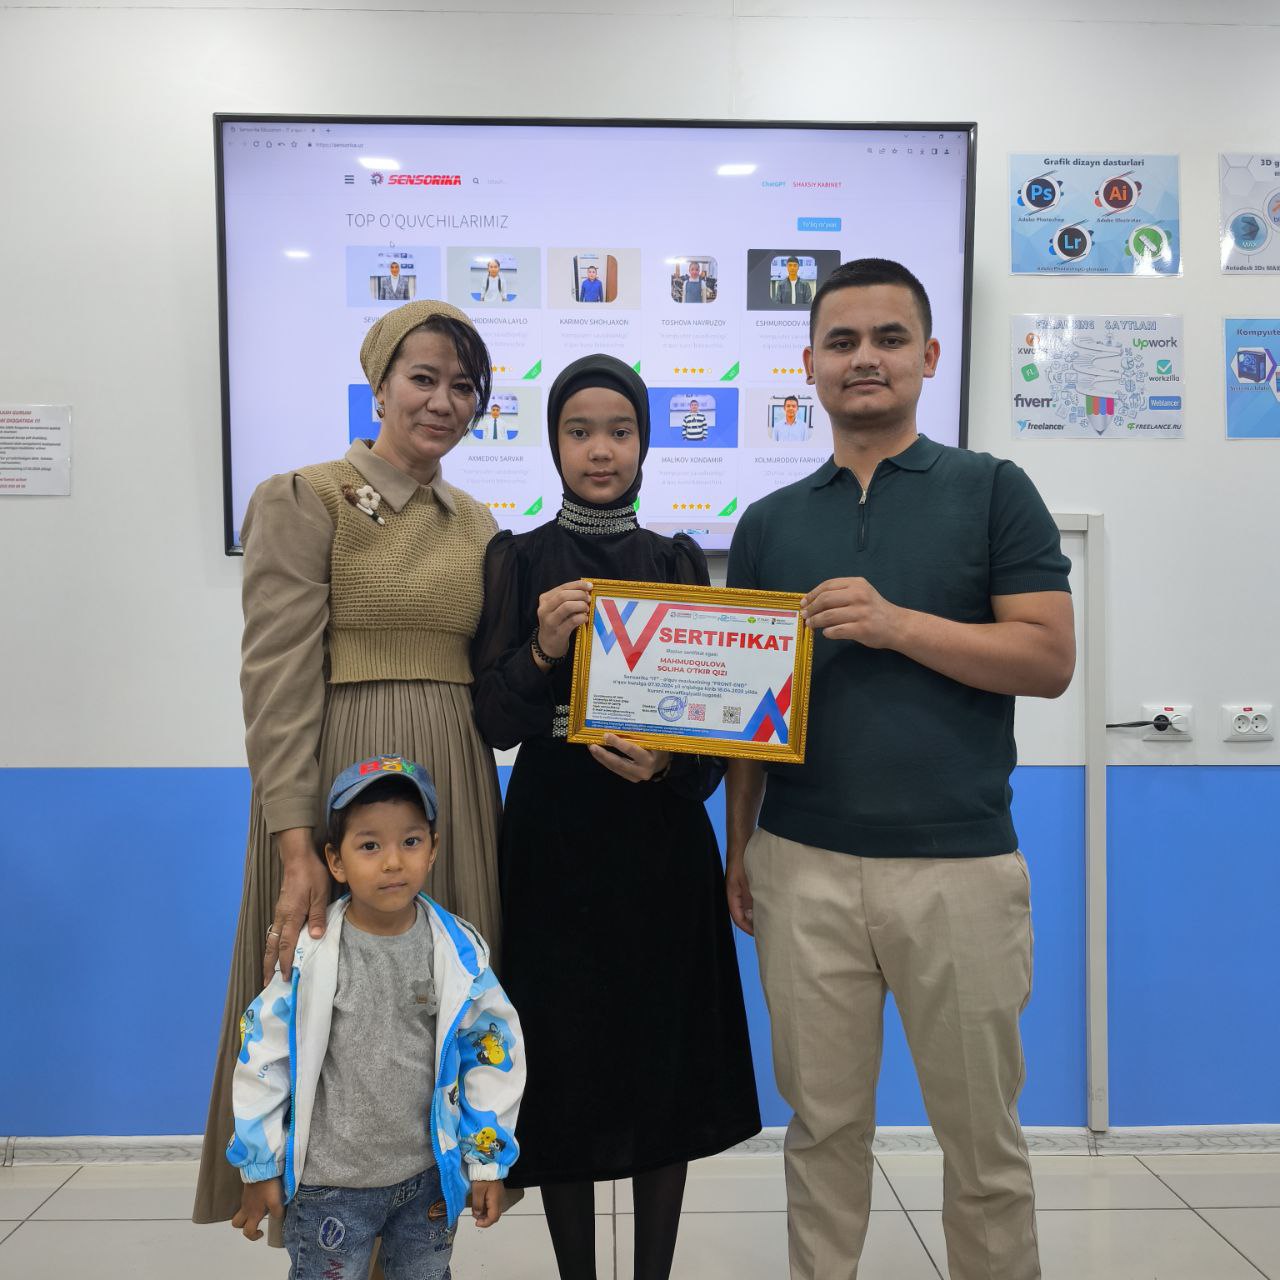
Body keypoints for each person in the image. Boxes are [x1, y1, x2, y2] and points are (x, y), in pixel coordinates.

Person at [725, 259, 1075, 1280]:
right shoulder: (768, 522)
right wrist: (741, 845)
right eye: (841, 342)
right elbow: (751, 711)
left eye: (887, 338)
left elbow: (1047, 659)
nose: (863, 358)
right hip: (800, 864)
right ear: (808, 365)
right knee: (821, 1129)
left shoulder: (992, 490)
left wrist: (897, 624)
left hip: (959, 868)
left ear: (929, 356)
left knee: (981, 1141)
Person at [194, 299, 505, 1239]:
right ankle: (333, 1241)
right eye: (423, 378)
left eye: (463, 386)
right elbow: (276, 676)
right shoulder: (304, 496)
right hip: (345, 783)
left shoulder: (478, 521)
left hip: (452, 786)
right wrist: (298, 845)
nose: (443, 402)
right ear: (379, 384)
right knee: (331, 1015)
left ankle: (419, 1235)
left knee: (440, 1018)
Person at [471, 354, 761, 1279]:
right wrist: (542, 648)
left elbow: (716, 733)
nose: (601, 450)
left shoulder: (676, 560)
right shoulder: (517, 559)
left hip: (659, 844)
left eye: (620, 431)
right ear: (553, 443)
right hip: (553, 843)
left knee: (660, 1066)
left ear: (645, 442)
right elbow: (493, 720)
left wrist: (671, 763)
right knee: (561, 1065)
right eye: (580, 431)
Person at [228, 755, 525, 1279]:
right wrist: (259, 1165)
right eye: (369, 846)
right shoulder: (310, 957)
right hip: (331, 1187)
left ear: (433, 849)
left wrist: (487, 1164)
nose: (392, 862)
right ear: (335, 861)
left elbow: (491, 1056)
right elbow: (263, 1059)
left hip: (428, 1181)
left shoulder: (458, 954)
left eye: (410, 841)